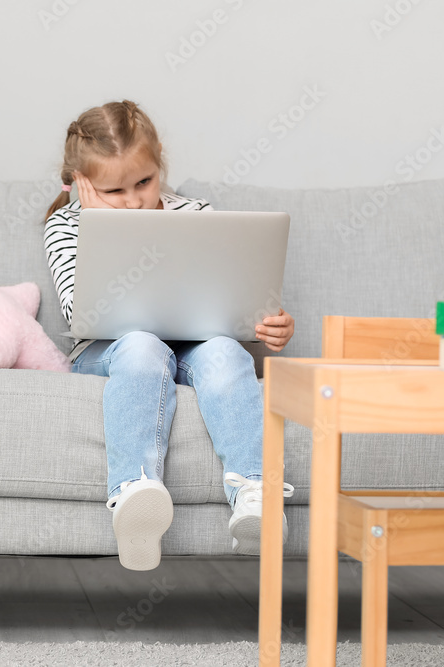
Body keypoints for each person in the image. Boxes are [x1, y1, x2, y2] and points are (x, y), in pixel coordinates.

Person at [43, 100, 296, 571]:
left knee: (224, 350)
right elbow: (84, 313)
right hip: (112, 349)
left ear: (159, 160)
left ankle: (257, 494)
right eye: (113, 190)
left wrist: (269, 325)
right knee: (143, 344)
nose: (134, 199)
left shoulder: (196, 213)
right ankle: (134, 492)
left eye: (144, 181)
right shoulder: (67, 225)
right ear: (80, 184)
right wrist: (102, 221)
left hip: (194, 344)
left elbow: (233, 297)